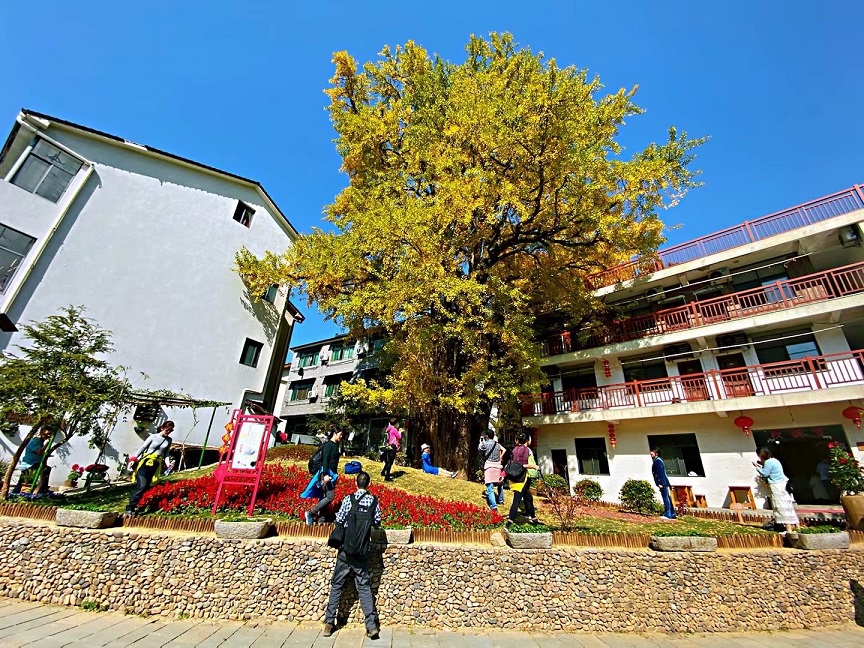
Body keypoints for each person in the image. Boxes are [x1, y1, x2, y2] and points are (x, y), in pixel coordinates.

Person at [322, 471, 381, 639]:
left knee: (337, 584)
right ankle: (371, 626)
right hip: (362, 551)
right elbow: (377, 522)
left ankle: (329, 623)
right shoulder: (374, 502)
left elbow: (339, 520)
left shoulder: (349, 499)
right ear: (368, 484)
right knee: (364, 587)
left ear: (356, 483)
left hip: (345, 550)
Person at [125, 421, 175, 515]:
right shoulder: (153, 437)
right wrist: (133, 459)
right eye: (167, 430)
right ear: (162, 428)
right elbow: (143, 448)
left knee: (147, 486)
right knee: (142, 485)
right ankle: (130, 507)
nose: (168, 432)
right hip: (146, 463)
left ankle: (139, 505)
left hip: (156, 464)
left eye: (171, 431)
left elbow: (166, 453)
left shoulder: (169, 440)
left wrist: (168, 463)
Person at [753, 447, 799, 533]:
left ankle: (788, 529)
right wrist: (762, 465)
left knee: (780, 505)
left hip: (776, 485)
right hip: (783, 484)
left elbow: (765, 473)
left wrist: (757, 467)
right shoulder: (775, 460)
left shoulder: (768, 462)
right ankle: (797, 526)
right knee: (787, 505)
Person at [303, 427, 343, 525]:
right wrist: (325, 474)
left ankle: (321, 520)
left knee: (324, 496)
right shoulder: (328, 445)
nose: (341, 436)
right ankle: (311, 513)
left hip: (332, 475)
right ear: (334, 433)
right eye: (340, 434)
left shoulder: (336, 445)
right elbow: (325, 460)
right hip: (326, 474)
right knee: (330, 496)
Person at [505, 432, 540, 527]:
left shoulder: (515, 449)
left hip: (514, 476)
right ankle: (509, 522)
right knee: (517, 500)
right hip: (521, 477)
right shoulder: (526, 450)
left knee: (528, 497)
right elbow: (523, 465)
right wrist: (535, 466)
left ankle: (534, 519)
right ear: (527, 440)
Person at [11, 427, 53, 494]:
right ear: (41, 432)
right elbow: (39, 451)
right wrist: (48, 443)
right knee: (24, 482)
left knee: (46, 469)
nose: (48, 435)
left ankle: (43, 489)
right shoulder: (35, 441)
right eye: (47, 434)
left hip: (34, 463)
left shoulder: (40, 441)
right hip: (30, 464)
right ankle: (15, 494)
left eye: (50, 434)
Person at [479, 430, 505, 510]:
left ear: (487, 436)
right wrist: (500, 457)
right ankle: (500, 500)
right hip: (497, 466)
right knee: (500, 484)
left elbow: (479, 448)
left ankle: (493, 506)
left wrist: (481, 441)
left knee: (490, 488)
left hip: (489, 467)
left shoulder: (485, 444)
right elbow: (503, 450)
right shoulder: (497, 444)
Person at [650, 447, 676, 520]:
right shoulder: (659, 460)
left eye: (652, 453)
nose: (651, 455)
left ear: (656, 454)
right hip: (664, 482)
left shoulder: (657, 461)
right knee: (667, 497)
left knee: (665, 498)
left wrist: (660, 483)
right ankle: (672, 514)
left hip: (662, 482)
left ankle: (668, 514)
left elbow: (660, 473)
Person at [380, 417, 401, 482]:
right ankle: (387, 476)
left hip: (387, 446)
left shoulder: (388, 429)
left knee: (388, 460)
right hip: (392, 446)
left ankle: (383, 472)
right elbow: (399, 437)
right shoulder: (394, 429)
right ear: (396, 423)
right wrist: (400, 432)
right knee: (390, 461)